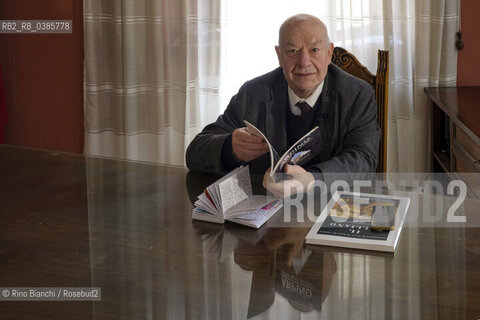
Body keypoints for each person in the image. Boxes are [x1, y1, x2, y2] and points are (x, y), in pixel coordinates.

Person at [186, 14, 380, 197]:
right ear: (279, 56)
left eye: (314, 50)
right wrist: (230, 148)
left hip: (330, 208)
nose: (304, 62)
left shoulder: (357, 94)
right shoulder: (253, 92)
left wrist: (312, 180)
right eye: (293, 51)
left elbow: (363, 159)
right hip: (265, 213)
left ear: (329, 53)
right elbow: (195, 153)